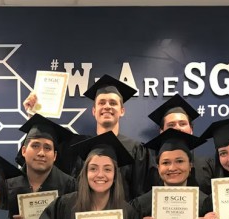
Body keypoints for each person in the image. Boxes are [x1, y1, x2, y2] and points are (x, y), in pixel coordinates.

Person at [25, 74, 154, 201]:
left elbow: (143, 194)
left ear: (122, 111)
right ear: (94, 111)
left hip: (124, 214)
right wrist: (32, 114)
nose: (107, 106)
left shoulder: (137, 150)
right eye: (101, 103)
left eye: (113, 103)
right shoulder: (77, 146)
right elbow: (43, 162)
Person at [7, 113, 77, 219]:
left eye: (47, 148)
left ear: (54, 156)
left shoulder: (70, 186)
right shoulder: (8, 186)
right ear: (23, 151)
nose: (41, 153)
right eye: (35, 146)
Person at [147, 93, 214, 188]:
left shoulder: (207, 165)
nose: (177, 128)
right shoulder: (150, 166)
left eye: (182, 124)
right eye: (171, 125)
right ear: (161, 131)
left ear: (191, 130)